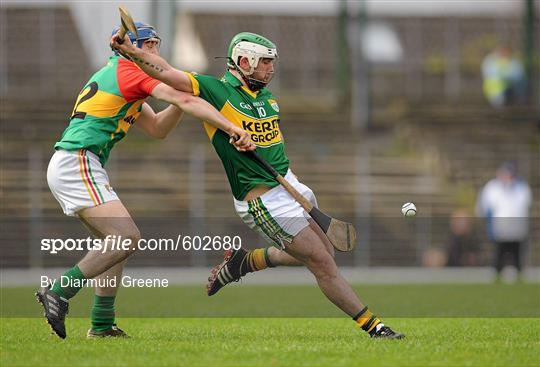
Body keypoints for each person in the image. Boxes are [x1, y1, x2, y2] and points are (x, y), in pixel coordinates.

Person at [112, 31, 404, 339]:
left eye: (271, 62)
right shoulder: (215, 90)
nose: (271, 68)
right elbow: (167, 73)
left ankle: (246, 261)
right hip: (264, 200)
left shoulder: (267, 98)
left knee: (325, 252)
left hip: (291, 185)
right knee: (321, 262)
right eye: (264, 62)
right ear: (243, 61)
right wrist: (132, 51)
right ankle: (374, 326)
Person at [37, 22, 254, 339]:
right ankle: (58, 292)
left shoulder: (120, 76)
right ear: (131, 48)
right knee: (126, 237)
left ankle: (101, 324)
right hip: (77, 161)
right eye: (149, 45)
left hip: (78, 163)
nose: (155, 51)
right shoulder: (130, 71)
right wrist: (231, 127)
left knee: (115, 244)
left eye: (157, 44)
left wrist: (181, 96)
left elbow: (157, 129)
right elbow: (190, 102)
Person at [476, 162, 532, 282]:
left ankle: (518, 272)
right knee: (499, 251)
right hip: (500, 226)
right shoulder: (492, 187)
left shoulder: (521, 187)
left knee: (516, 251)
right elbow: (485, 207)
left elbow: (524, 205)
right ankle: (497, 272)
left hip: (517, 227)